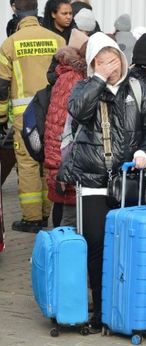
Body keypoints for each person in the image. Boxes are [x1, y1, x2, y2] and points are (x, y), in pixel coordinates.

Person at [57, 32, 146, 332]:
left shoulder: (138, 88)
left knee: (127, 245)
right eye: (101, 61)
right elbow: (77, 111)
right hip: (92, 181)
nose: (109, 66)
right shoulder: (84, 88)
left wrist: (145, 150)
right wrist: (98, 81)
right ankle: (100, 308)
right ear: (91, 64)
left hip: (129, 180)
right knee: (96, 245)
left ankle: (127, 306)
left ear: (122, 58)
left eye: (112, 59)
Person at [0, 0, 66, 233]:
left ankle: (31, 219)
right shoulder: (57, 40)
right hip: (53, 111)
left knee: (27, 163)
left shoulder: (10, 43)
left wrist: (1, 119)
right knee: (49, 161)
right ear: (38, 10)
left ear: (15, 11)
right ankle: (48, 212)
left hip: (23, 114)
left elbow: (2, 85)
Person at [43, 33, 88, 228]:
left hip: (65, 155)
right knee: (65, 204)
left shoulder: (73, 75)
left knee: (65, 203)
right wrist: (59, 164)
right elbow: (60, 123)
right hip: (63, 155)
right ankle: (59, 249)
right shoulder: (73, 78)